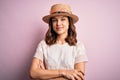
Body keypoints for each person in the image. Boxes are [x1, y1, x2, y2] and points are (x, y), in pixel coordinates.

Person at [29, 4, 88, 80]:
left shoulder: (79, 46)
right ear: (51, 24)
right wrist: (64, 72)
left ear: (69, 22)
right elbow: (33, 73)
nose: (58, 23)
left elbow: (79, 78)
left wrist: (45, 74)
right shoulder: (43, 45)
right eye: (54, 20)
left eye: (63, 19)